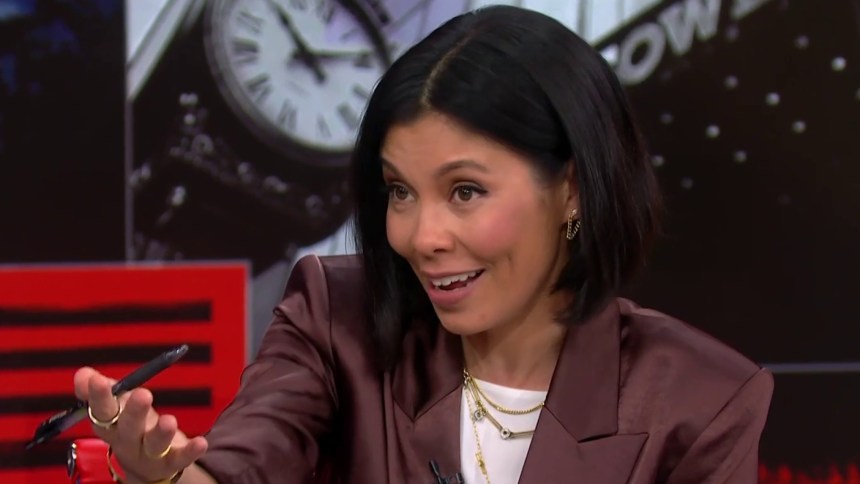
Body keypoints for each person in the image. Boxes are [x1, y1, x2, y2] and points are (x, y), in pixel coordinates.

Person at [73, 5, 773, 484]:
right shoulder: (334, 318)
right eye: (400, 191)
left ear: (573, 189)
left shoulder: (702, 401)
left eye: (465, 191)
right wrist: (168, 477)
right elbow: (246, 463)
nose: (421, 237)